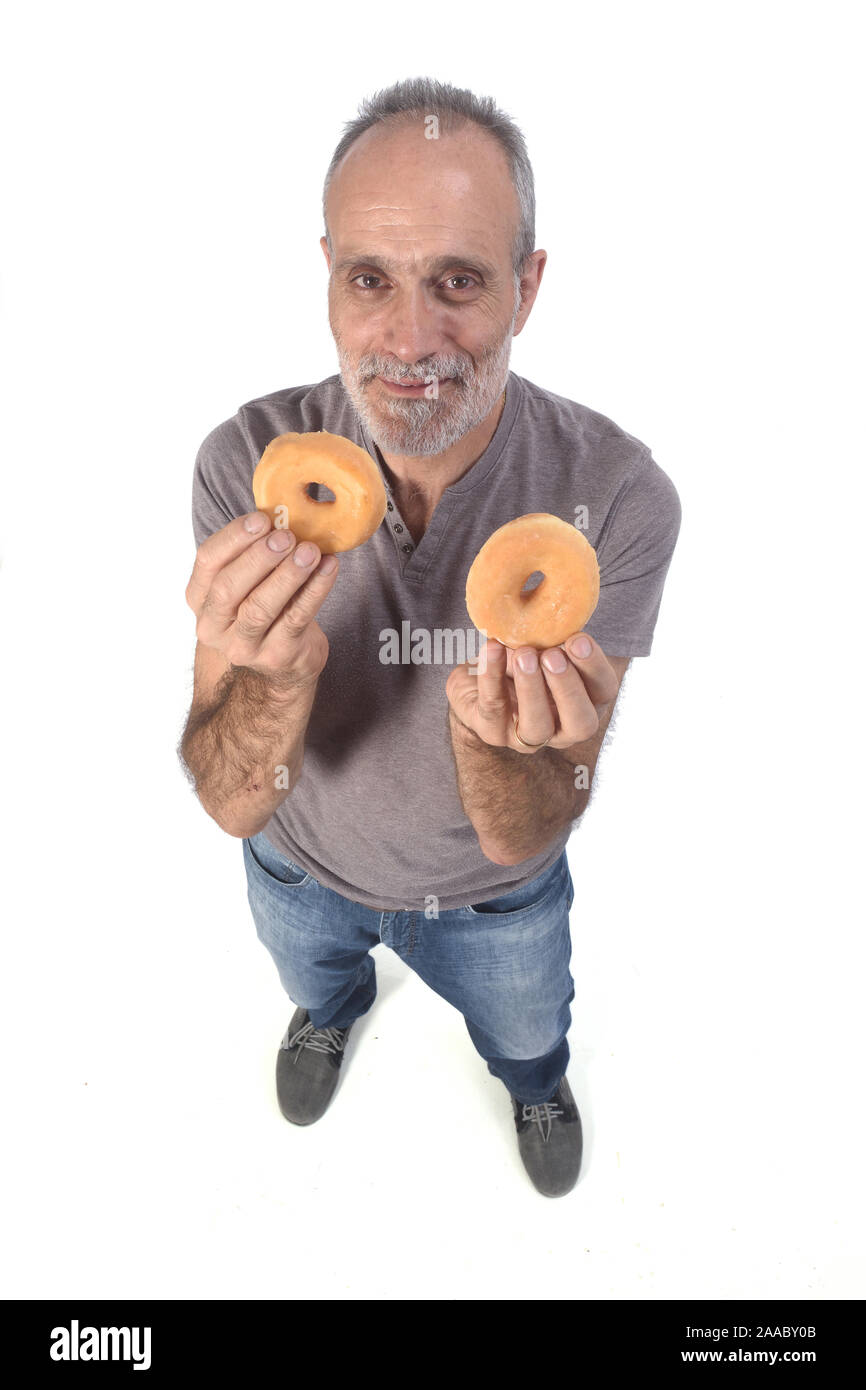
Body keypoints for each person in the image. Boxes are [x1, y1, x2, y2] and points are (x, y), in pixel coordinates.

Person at [178, 78, 682, 1199]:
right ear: (328, 281)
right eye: (371, 279)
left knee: (522, 1018)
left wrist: (506, 749)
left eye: (457, 281)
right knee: (311, 971)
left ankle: (532, 1076)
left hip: (496, 900)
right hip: (297, 868)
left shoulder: (612, 498)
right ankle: (330, 1009)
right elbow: (228, 800)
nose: (410, 340)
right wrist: (273, 674)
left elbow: (533, 825)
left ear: (526, 287)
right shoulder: (245, 463)